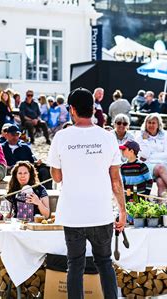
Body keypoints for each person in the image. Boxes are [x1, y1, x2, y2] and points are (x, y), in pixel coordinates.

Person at [47, 88, 126, 299]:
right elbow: (116, 180)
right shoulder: (108, 137)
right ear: (93, 108)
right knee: (104, 263)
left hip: (73, 213)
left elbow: (56, 177)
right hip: (100, 211)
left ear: (72, 109)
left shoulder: (61, 137)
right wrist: (122, 210)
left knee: (75, 265)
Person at [1, 125, 52, 189]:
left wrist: (37, 162)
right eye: (13, 134)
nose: (15, 137)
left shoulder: (25, 147)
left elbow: (32, 161)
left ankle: (47, 192)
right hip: (9, 170)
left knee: (44, 170)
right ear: (7, 135)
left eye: (17, 135)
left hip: (26, 171)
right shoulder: (1, 148)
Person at [136, 113, 167, 197]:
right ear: (145, 124)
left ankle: (162, 205)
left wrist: (151, 157)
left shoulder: (165, 136)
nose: (151, 125)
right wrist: (145, 140)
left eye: (153, 123)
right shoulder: (140, 137)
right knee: (160, 167)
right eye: (149, 123)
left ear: (158, 125)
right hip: (145, 167)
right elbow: (144, 155)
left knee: (161, 181)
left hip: (163, 168)